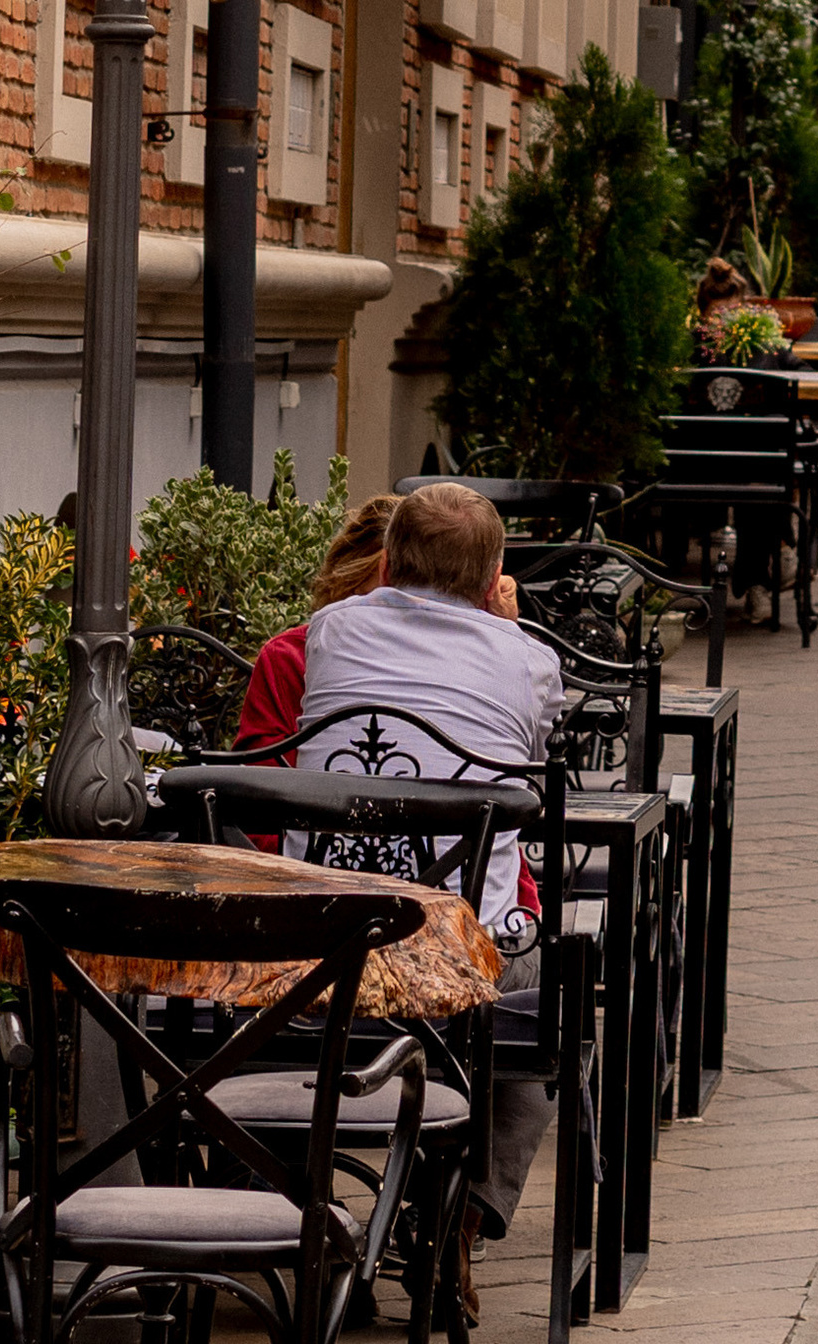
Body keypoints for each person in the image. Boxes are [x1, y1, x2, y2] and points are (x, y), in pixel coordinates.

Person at [303, 480, 567, 1237]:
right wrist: (506, 630)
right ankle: (459, 1210)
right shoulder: (527, 660)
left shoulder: (328, 633)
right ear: (492, 582)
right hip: (458, 962)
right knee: (547, 997)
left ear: (386, 563)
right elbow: (534, 760)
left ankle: (311, 1201)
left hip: (326, 946)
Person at [236, 490, 395, 752]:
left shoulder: (449, 663)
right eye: (368, 600)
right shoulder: (288, 657)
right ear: (342, 584)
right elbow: (261, 772)